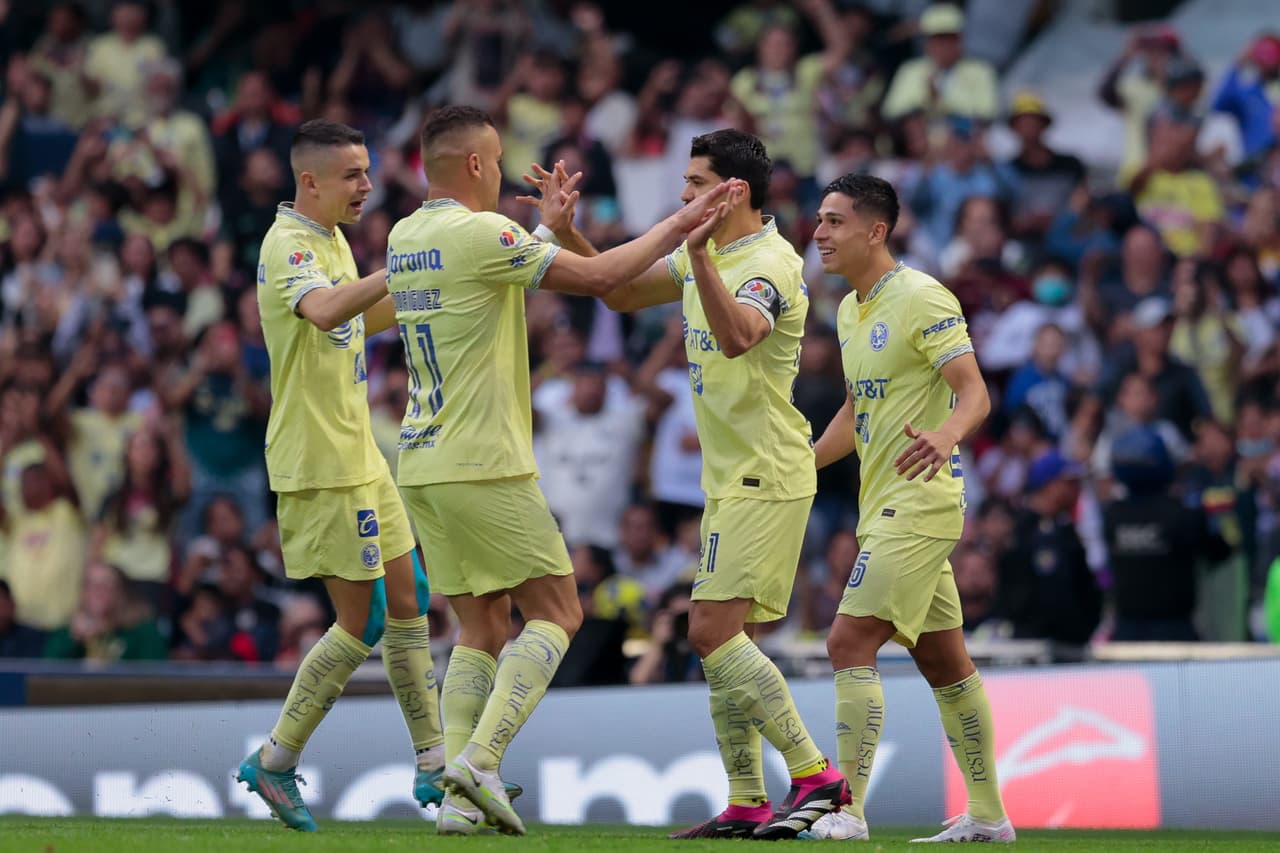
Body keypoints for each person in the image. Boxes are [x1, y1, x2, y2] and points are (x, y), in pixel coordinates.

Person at [383, 105, 728, 836]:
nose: (505, 169)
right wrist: (683, 221)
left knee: (480, 626)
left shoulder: (406, 234)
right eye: (500, 157)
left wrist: (549, 226)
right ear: (476, 163)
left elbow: (483, 273)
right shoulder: (483, 232)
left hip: (421, 461)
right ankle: (479, 760)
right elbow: (604, 275)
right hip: (484, 460)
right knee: (559, 611)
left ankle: (455, 801)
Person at [532, 128, 848, 839]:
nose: (683, 195)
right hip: (730, 477)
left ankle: (815, 773)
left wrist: (698, 255)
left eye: (696, 181)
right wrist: (570, 234)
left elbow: (739, 334)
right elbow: (616, 291)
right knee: (724, 638)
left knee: (708, 632)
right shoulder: (704, 251)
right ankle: (746, 799)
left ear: (732, 191)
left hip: (766, 469)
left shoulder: (772, 263)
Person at [236, 120, 445, 833]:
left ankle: (435, 760)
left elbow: (360, 316)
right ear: (311, 181)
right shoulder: (288, 243)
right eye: (354, 174)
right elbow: (325, 309)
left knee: (411, 596)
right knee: (363, 624)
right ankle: (274, 757)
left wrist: (431, 285)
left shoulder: (331, 237)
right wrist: (406, 262)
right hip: (319, 463)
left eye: (368, 171)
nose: (367, 185)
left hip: (359, 454)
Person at [810, 174, 1014, 843]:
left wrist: (947, 434)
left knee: (848, 640)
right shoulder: (848, 309)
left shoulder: (923, 296)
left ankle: (849, 808)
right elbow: (853, 409)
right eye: (819, 219)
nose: (819, 233)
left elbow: (974, 393)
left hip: (920, 504)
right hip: (882, 505)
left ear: (876, 230)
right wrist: (801, 466)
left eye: (835, 221)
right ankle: (989, 816)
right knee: (945, 662)